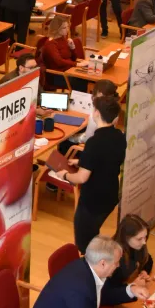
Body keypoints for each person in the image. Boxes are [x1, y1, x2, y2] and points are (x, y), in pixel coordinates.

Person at [27, 236, 148, 308]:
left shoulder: (90, 267)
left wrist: (131, 290)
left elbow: (104, 295)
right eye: (116, 262)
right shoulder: (79, 286)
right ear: (103, 263)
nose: (117, 266)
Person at [55, 96, 126, 252]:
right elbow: (106, 160)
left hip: (93, 200)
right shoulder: (120, 137)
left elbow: (81, 177)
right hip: (110, 195)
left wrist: (65, 175)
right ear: (115, 118)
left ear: (96, 113)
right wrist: (81, 162)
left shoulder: (94, 142)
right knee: (94, 231)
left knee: (84, 243)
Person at [40, 16, 88, 92]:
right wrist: (76, 64)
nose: (67, 30)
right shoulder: (50, 44)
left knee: (87, 77)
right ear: (57, 29)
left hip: (68, 71)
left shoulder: (63, 39)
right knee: (82, 82)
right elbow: (59, 61)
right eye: (64, 28)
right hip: (57, 76)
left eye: (67, 27)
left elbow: (73, 58)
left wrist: (72, 48)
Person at [110, 214, 154, 287]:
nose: (144, 242)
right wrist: (133, 286)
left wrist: (144, 271)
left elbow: (148, 260)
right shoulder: (114, 257)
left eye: (145, 237)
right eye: (139, 239)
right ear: (125, 238)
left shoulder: (136, 246)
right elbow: (110, 290)